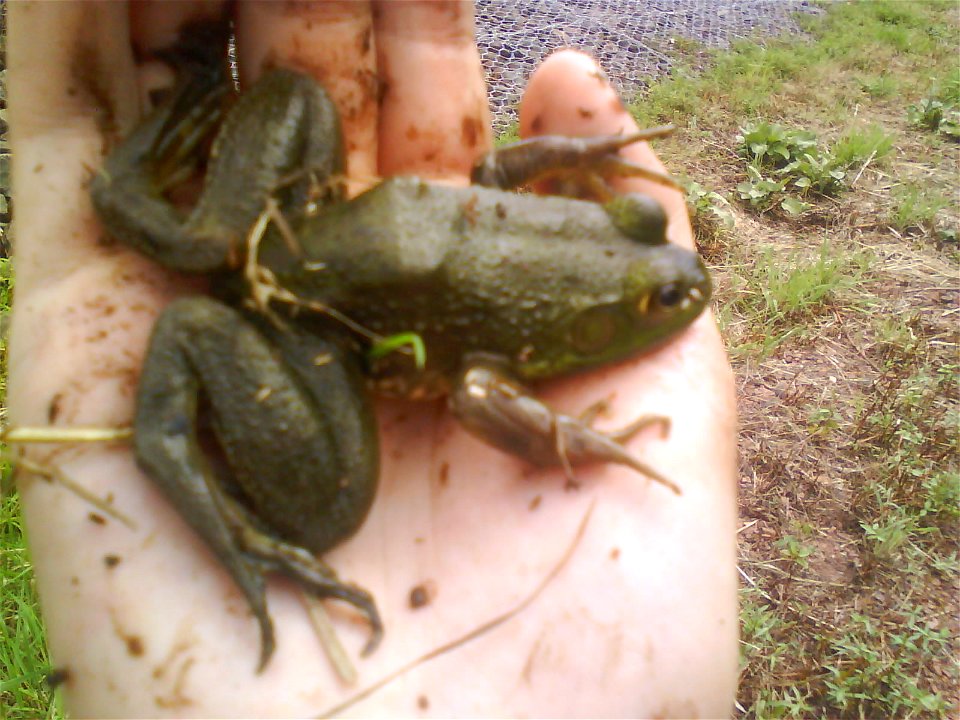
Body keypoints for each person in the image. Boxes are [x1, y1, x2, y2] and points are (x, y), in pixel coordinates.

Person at [7, 1, 738, 716]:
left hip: (315, 234)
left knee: (300, 97)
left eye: (649, 288)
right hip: (305, 303)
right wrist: (562, 438)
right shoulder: (528, 340)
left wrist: (565, 159)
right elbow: (477, 389)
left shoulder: (534, 260)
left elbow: (487, 187)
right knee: (330, 509)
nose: (643, 223)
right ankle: (171, 372)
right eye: (632, 216)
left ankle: (164, 190)